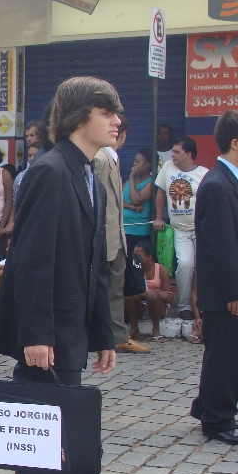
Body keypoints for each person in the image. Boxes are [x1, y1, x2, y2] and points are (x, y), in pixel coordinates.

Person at [0, 76, 140, 474]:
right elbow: (32, 260)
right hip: (46, 336)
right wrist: (36, 334)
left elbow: (92, 264)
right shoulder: (51, 172)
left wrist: (103, 334)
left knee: (38, 430)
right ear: (78, 117)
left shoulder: (88, 171)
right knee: (66, 442)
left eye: (117, 112)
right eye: (106, 111)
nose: (117, 120)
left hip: (69, 330)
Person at [191, 110, 238, 444]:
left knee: (222, 352)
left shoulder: (227, 181)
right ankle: (218, 419)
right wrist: (234, 291)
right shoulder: (217, 185)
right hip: (224, 293)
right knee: (224, 356)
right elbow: (221, 247)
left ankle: (206, 406)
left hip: (227, 290)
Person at [94, 115, 149, 355]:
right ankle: (107, 335)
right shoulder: (101, 158)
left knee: (115, 288)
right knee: (103, 287)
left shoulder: (111, 157)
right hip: (104, 234)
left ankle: (117, 336)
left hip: (116, 235)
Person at [154, 136, 209, 320]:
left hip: (201, 230)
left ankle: (202, 306)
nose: (173, 155)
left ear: (189, 154)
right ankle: (185, 306)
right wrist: (159, 217)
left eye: (177, 152)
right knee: (185, 265)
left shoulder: (204, 174)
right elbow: (160, 193)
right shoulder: (168, 167)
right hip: (179, 230)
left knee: (203, 267)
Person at [125, 240, 172, 343]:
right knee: (129, 296)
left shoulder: (161, 270)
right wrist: (154, 293)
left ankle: (156, 329)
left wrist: (155, 294)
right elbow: (130, 291)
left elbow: (167, 297)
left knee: (152, 295)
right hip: (140, 306)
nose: (135, 259)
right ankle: (134, 328)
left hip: (158, 306)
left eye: (139, 256)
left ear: (149, 257)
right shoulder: (133, 270)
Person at [123, 147, 154, 255]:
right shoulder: (128, 182)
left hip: (138, 231)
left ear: (148, 164)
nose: (134, 164)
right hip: (123, 229)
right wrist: (131, 207)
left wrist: (132, 178)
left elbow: (136, 200)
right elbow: (117, 201)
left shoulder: (150, 182)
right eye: (134, 161)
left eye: (138, 162)